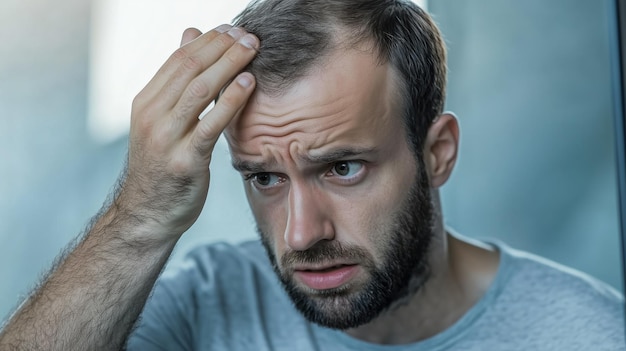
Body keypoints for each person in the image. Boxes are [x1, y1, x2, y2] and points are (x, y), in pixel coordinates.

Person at [0, 0, 624, 349]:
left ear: (437, 153)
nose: (300, 235)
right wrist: (139, 219)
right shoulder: (205, 307)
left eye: (343, 167)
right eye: (265, 178)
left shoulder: (590, 337)